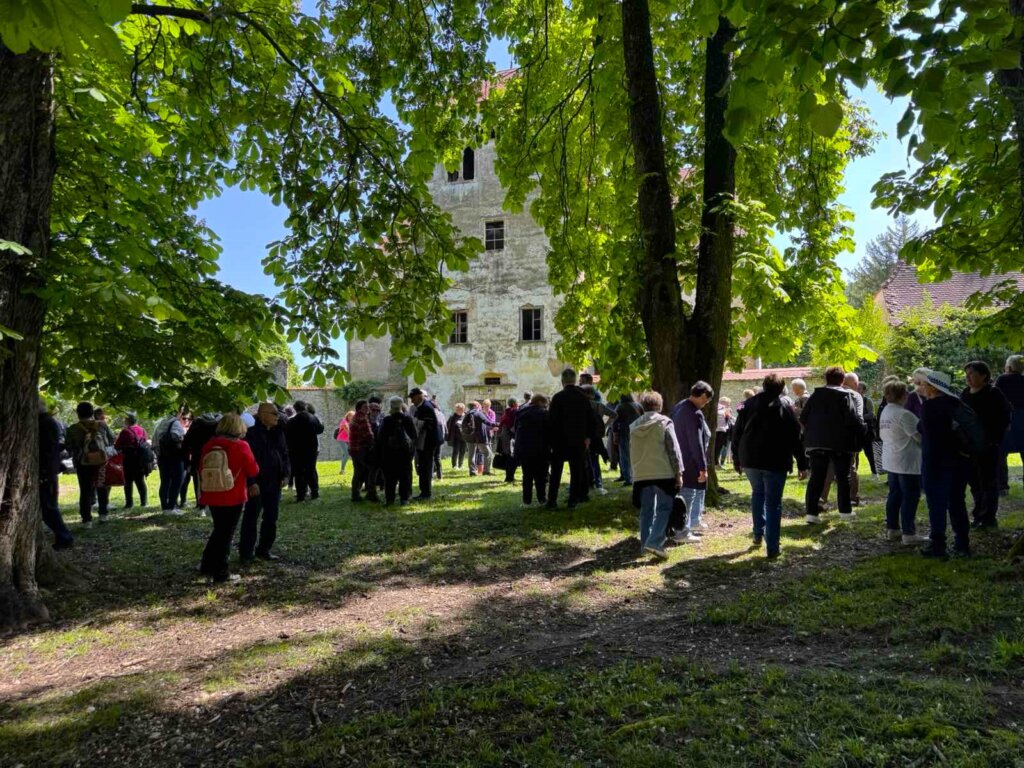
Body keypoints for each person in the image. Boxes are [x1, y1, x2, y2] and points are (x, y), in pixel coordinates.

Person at [731, 373, 807, 559]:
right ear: (781, 389)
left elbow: (737, 432)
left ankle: (758, 534)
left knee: (758, 493)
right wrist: (802, 464)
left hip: (750, 458)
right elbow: (795, 438)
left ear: (764, 386)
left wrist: (736, 457)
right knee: (773, 503)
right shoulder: (785, 408)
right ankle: (772, 547)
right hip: (775, 460)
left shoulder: (748, 405)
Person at [198, 413, 260, 583]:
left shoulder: (209, 445)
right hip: (233, 494)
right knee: (226, 534)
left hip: (211, 493)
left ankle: (206, 565)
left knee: (219, 530)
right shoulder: (241, 446)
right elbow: (253, 470)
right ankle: (221, 572)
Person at [917, 369, 971, 559]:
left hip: (936, 461)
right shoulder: (956, 403)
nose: (919, 388)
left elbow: (926, 431)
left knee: (937, 504)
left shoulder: (930, 407)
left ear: (932, 387)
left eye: (921, 384)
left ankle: (938, 544)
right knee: (957, 502)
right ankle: (962, 543)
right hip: (960, 459)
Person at [800, 366, 864, 523]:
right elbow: (853, 419)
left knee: (816, 478)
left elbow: (803, 418)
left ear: (826, 379)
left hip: (816, 443)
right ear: (842, 380)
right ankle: (845, 511)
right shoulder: (845, 396)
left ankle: (811, 513)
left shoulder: (815, 396)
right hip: (841, 443)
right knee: (843, 477)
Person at [630, 391, 684, 559]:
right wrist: (678, 473)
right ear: (659, 406)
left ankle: (645, 544)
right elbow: (673, 449)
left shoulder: (633, 426)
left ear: (642, 406)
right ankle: (654, 542)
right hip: (662, 472)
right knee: (664, 508)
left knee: (646, 510)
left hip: (641, 474)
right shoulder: (665, 422)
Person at [961, 360, 1012, 529]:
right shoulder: (965, 394)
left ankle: (989, 517)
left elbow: (1005, 417)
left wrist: (993, 438)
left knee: (988, 482)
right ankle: (978, 515)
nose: (968, 378)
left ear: (983, 376)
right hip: (969, 447)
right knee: (974, 483)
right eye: (966, 374)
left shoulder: (994, 393)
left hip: (989, 446)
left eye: (971, 374)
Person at [878, 379, 929, 545]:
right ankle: (909, 532)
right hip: (907, 460)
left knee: (895, 494)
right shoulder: (904, 414)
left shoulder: (886, 411)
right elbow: (919, 437)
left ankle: (892, 528)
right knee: (910, 496)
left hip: (891, 458)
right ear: (904, 395)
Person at [240, 402, 291, 563]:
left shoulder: (278, 433)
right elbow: (247, 462)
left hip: (274, 482)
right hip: (258, 483)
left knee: (271, 517)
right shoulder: (252, 435)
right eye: (273, 414)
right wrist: (251, 482)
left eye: (277, 413)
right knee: (251, 517)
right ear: (262, 415)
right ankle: (246, 553)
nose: (277, 417)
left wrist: (286, 474)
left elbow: (284, 455)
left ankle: (264, 549)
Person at [670, 381, 714, 538]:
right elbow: (697, 443)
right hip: (689, 461)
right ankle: (682, 531)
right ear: (702, 396)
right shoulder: (695, 414)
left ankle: (678, 528)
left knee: (681, 496)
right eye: (707, 400)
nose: (706, 403)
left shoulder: (679, 406)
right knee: (688, 496)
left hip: (676, 458)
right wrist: (703, 468)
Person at [547, 368, 592, 509]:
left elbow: (551, 421)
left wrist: (550, 441)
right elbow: (590, 420)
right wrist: (588, 437)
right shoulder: (584, 397)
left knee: (556, 471)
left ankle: (552, 500)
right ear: (575, 380)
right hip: (578, 439)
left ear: (562, 381)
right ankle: (573, 500)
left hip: (560, 440)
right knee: (576, 471)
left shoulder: (558, 397)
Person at [64, 401, 115, 525]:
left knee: (85, 490)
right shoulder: (102, 425)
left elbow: (69, 447)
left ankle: (87, 520)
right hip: (101, 461)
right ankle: (103, 514)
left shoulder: (73, 429)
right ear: (92, 412)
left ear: (78, 413)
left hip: (82, 462)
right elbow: (111, 440)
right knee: (102, 486)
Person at [39, 398, 74, 549]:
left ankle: (65, 537)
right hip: (48, 470)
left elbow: (48, 450)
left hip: (46, 471)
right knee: (48, 506)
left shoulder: (45, 423)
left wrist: (45, 470)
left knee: (48, 507)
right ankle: (63, 537)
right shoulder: (48, 422)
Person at [377, 395, 418, 505]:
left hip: (389, 453)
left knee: (389, 477)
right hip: (404, 453)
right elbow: (414, 436)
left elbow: (380, 438)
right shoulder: (407, 419)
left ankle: (390, 499)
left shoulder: (387, 420)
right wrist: (411, 452)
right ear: (401, 405)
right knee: (405, 476)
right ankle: (404, 498)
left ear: (391, 405)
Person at [514, 393, 551, 505]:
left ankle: (526, 501)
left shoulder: (521, 412)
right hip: (541, 448)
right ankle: (542, 499)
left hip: (525, 448)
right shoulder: (544, 414)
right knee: (541, 475)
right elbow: (549, 432)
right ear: (540, 402)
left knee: (527, 476)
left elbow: (516, 431)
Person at [996, 354, 1024, 495]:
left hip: (1007, 419)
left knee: (1001, 454)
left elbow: (995, 398)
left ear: (1009, 366)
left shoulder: (1002, 380)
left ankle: (1002, 487)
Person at [285, 401, 324, 502]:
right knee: (311, 470)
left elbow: (287, 435)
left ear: (295, 409)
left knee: (299, 472)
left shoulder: (292, 421)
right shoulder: (313, 418)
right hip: (311, 448)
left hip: (297, 449)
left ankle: (300, 495)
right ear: (305, 407)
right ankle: (315, 492)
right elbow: (320, 430)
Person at [182, 412, 219, 515]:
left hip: (198, 457)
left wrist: (187, 461)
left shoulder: (196, 424)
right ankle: (214, 505)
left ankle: (201, 506)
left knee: (199, 482)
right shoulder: (218, 423)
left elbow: (186, 442)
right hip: (215, 456)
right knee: (215, 479)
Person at [409, 388, 442, 499]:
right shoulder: (423, 406)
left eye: (413, 398)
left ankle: (426, 493)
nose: (412, 401)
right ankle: (424, 492)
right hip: (425, 441)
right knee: (423, 466)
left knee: (425, 467)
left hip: (427, 442)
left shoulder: (426, 407)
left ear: (418, 396)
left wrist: (413, 422)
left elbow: (426, 425)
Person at [154, 410, 187, 516]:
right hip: (175, 457)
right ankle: (171, 506)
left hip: (162, 457)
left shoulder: (161, 423)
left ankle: (165, 507)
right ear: (178, 414)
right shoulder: (175, 423)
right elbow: (179, 437)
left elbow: (154, 441)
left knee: (165, 482)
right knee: (177, 481)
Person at [114, 412, 150, 510]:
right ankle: (144, 502)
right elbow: (145, 441)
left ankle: (129, 503)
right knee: (140, 481)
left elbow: (117, 445)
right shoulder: (142, 430)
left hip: (129, 459)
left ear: (127, 420)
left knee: (128, 481)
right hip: (141, 459)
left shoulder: (125, 432)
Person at [613, 394, 643, 485]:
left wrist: (615, 436)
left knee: (625, 456)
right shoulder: (638, 405)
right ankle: (639, 476)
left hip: (625, 432)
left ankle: (628, 479)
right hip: (638, 432)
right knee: (638, 455)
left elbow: (615, 422)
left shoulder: (620, 407)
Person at [466, 400, 496, 476]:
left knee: (471, 454)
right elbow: (487, 422)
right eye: (479, 406)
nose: (481, 407)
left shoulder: (467, 414)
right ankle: (486, 471)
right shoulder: (478, 413)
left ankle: (472, 472)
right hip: (479, 437)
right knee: (488, 454)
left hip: (469, 437)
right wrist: (498, 424)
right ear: (476, 406)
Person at [497, 397, 519, 483]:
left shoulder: (506, 412)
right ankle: (509, 478)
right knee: (511, 458)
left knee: (509, 457)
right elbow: (514, 425)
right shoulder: (514, 412)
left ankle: (509, 476)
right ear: (514, 404)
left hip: (504, 437)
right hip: (510, 437)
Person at [446, 403, 468, 471]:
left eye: (461, 410)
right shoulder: (453, 417)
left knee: (463, 451)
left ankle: (460, 465)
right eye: (457, 410)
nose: (459, 411)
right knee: (455, 451)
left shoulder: (466, 416)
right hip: (455, 438)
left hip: (464, 437)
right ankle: (454, 465)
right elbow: (448, 425)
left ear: (463, 409)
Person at [715, 397, 733, 468]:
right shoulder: (722, 409)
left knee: (718, 448)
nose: (728, 405)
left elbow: (729, 418)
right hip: (720, 430)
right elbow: (729, 417)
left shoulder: (722, 409)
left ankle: (717, 463)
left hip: (721, 430)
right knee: (717, 448)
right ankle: (716, 463)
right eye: (728, 403)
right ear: (724, 402)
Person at [335, 410, 354, 475]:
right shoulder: (344, 421)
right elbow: (348, 431)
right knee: (346, 454)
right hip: (341, 439)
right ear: (347, 416)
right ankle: (342, 470)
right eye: (350, 416)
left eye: (353, 416)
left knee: (345, 454)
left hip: (348, 440)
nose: (351, 417)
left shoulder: (353, 423)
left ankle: (342, 469)